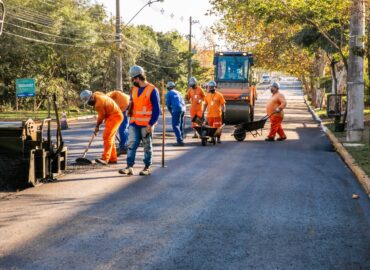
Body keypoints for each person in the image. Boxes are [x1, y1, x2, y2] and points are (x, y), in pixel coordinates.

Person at [118, 65, 160, 176]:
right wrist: (128, 109)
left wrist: (151, 124)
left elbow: (156, 109)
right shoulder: (134, 89)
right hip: (134, 123)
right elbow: (132, 103)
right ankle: (129, 167)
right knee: (131, 144)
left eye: (133, 79)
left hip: (146, 124)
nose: (132, 81)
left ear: (138, 77)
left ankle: (146, 167)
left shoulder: (152, 90)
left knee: (147, 146)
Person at [80, 90, 123, 165]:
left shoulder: (98, 104)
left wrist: (97, 126)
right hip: (112, 115)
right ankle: (113, 158)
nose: (89, 103)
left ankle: (105, 158)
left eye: (89, 100)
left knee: (107, 137)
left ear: (92, 96)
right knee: (110, 138)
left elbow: (101, 116)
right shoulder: (97, 94)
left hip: (114, 116)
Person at [106, 90, 130, 156]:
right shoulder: (118, 96)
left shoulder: (111, 95)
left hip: (125, 108)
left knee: (123, 129)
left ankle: (123, 147)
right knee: (124, 128)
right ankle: (125, 146)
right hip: (125, 107)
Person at [166, 81, 186, 146]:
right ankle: (181, 139)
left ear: (168, 88)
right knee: (180, 124)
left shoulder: (169, 93)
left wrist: (171, 112)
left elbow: (168, 105)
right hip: (183, 109)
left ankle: (180, 141)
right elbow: (182, 101)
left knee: (175, 125)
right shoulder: (179, 92)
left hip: (176, 109)